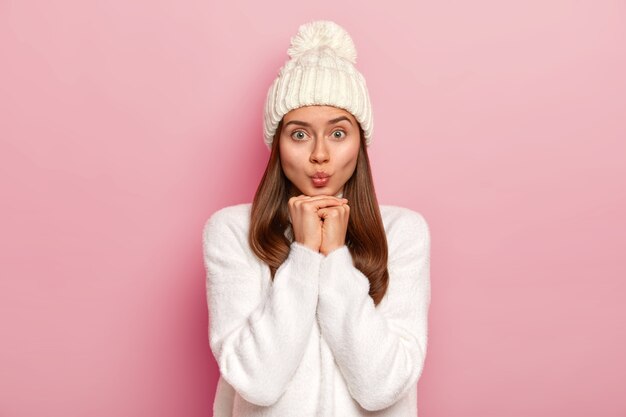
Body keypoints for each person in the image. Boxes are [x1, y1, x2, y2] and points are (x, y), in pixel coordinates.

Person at [202, 20, 431, 417]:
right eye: (300, 134)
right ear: (278, 143)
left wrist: (337, 255)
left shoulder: (403, 233)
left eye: (338, 134)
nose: (320, 154)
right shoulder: (231, 232)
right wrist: (305, 255)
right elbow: (257, 381)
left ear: (360, 142)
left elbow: (382, 386)